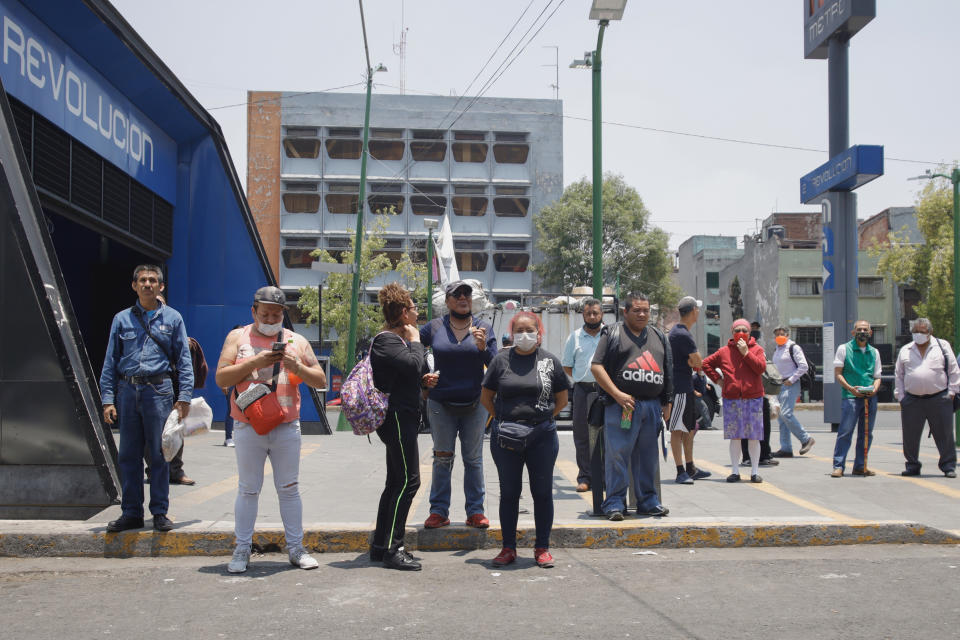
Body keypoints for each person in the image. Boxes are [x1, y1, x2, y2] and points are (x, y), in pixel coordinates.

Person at [215, 286, 327, 573]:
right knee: (248, 489)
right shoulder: (237, 337)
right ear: (253, 311)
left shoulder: (296, 341)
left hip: (286, 424)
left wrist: (296, 366)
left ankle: (296, 548)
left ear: (283, 315)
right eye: (264, 314)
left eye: (276, 314)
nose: (270, 318)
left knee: (289, 488)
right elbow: (221, 377)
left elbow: (320, 380)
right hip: (247, 423)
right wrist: (255, 361)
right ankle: (241, 549)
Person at [100, 265, 193, 533]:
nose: (148, 284)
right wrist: (108, 400)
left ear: (161, 287)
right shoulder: (121, 319)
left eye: (153, 280)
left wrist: (184, 397)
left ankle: (160, 513)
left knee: (160, 455)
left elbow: (184, 361)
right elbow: (110, 361)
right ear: (134, 285)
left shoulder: (173, 318)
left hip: (159, 392)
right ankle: (131, 513)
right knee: (128, 455)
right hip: (128, 392)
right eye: (143, 280)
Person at [481, 311, 569, 568]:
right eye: (519, 330)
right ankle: (508, 548)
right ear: (512, 333)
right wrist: (503, 420)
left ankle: (542, 547)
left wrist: (542, 420)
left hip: (542, 436)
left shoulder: (550, 362)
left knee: (542, 493)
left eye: (530, 330)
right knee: (509, 492)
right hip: (506, 437)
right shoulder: (500, 360)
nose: (525, 335)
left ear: (539, 333)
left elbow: (562, 400)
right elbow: (486, 397)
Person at [368, 283, 438, 571]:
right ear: (402, 312)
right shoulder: (387, 340)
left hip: (405, 414)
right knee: (409, 481)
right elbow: (411, 365)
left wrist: (424, 381)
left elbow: (412, 372)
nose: (417, 311)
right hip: (396, 417)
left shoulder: (398, 340)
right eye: (412, 306)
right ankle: (393, 549)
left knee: (395, 482)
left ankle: (380, 544)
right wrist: (417, 339)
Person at [420, 280, 497, 530]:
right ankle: (439, 511)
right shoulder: (433, 328)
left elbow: (496, 364)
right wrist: (423, 379)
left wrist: (483, 347)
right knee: (442, 457)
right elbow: (411, 351)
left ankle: (475, 511)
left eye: (467, 294)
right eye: (457, 295)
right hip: (440, 403)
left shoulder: (483, 328)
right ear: (447, 301)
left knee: (473, 459)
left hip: (475, 403)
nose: (463, 298)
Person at [591, 293, 673, 520]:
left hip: (652, 407)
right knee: (617, 455)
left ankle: (648, 501)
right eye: (636, 310)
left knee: (648, 457)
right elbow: (596, 367)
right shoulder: (613, 333)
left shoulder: (658, 335)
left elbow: (668, 370)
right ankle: (615, 503)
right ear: (625, 312)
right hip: (622, 407)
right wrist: (617, 395)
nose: (642, 314)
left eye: (646, 310)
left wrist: (667, 401)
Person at [143, 293, 203, 486]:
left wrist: (185, 395)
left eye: (159, 302)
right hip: (147, 389)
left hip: (173, 389)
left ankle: (176, 471)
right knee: (150, 434)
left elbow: (185, 362)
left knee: (175, 431)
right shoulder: (138, 327)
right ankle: (153, 471)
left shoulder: (174, 324)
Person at [702, 318, 766, 483]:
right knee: (735, 436)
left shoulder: (757, 349)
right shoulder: (724, 351)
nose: (741, 333)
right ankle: (735, 471)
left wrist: (746, 353)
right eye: (737, 330)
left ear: (750, 333)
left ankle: (754, 471)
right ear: (732, 333)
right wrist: (718, 380)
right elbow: (706, 364)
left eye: (744, 330)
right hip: (732, 399)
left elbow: (760, 368)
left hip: (753, 398)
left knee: (754, 436)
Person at [894, 318, 959, 478]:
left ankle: (948, 466)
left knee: (944, 434)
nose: (918, 335)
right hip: (912, 399)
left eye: (921, 332)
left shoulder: (942, 346)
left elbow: (953, 370)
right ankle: (912, 466)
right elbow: (899, 375)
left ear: (930, 332)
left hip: (939, 397)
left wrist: (951, 393)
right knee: (910, 435)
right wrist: (901, 397)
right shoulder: (905, 350)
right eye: (915, 332)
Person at [561, 297, 605, 492]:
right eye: (588, 313)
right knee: (582, 435)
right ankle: (585, 477)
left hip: (605, 391)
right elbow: (567, 365)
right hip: (582, 390)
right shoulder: (575, 337)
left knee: (606, 435)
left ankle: (605, 477)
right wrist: (582, 377)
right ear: (583, 315)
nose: (592, 316)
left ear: (602, 314)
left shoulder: (610, 335)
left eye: (596, 312)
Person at [667, 296, 711, 484]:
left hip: (686, 388)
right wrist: (693, 362)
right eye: (698, 310)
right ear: (693, 311)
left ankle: (690, 467)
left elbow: (696, 363)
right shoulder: (681, 334)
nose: (699, 313)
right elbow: (699, 362)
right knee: (677, 430)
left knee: (689, 429)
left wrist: (693, 362)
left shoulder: (681, 332)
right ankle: (680, 471)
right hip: (678, 389)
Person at [830, 320, 882, 478]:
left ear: (870, 333)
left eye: (865, 329)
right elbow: (838, 373)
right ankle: (838, 466)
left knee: (866, 433)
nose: (862, 332)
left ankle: (860, 465)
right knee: (845, 432)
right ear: (853, 332)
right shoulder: (844, 349)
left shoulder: (874, 352)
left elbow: (877, 376)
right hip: (851, 396)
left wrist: (874, 390)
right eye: (859, 329)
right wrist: (850, 388)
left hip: (869, 398)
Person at [770, 325, 815, 458]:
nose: (779, 336)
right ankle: (786, 448)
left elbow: (803, 366)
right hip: (779, 383)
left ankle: (806, 439)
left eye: (782, 334)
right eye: (777, 334)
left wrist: (792, 379)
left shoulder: (793, 347)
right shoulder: (777, 349)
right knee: (781, 418)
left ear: (788, 335)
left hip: (791, 383)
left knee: (786, 414)